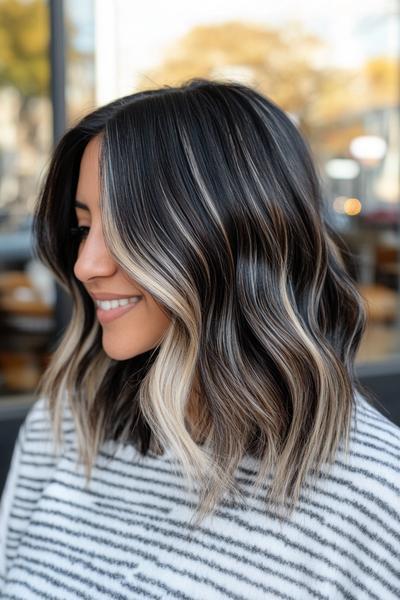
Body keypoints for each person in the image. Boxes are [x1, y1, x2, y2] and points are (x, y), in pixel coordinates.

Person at [0, 78, 399, 600]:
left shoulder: (374, 495)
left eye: (127, 227)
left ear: (230, 237)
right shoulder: (72, 419)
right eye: (83, 228)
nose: (85, 264)